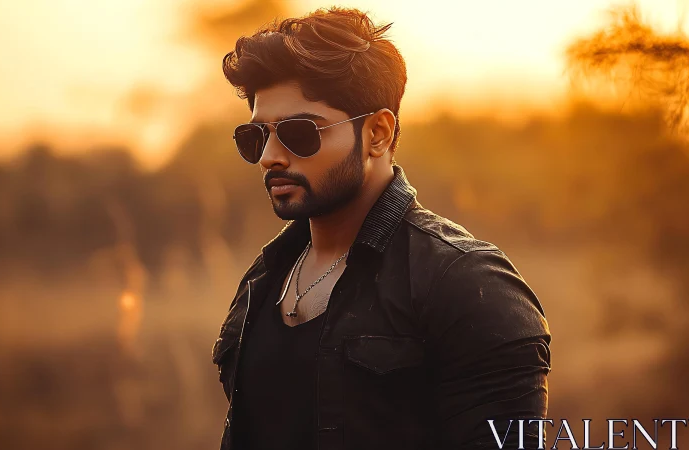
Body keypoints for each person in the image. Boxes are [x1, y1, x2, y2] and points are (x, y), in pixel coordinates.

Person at [210, 7, 552, 450]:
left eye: (299, 132)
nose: (269, 156)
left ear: (377, 133)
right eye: (255, 137)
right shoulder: (263, 280)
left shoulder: (468, 284)